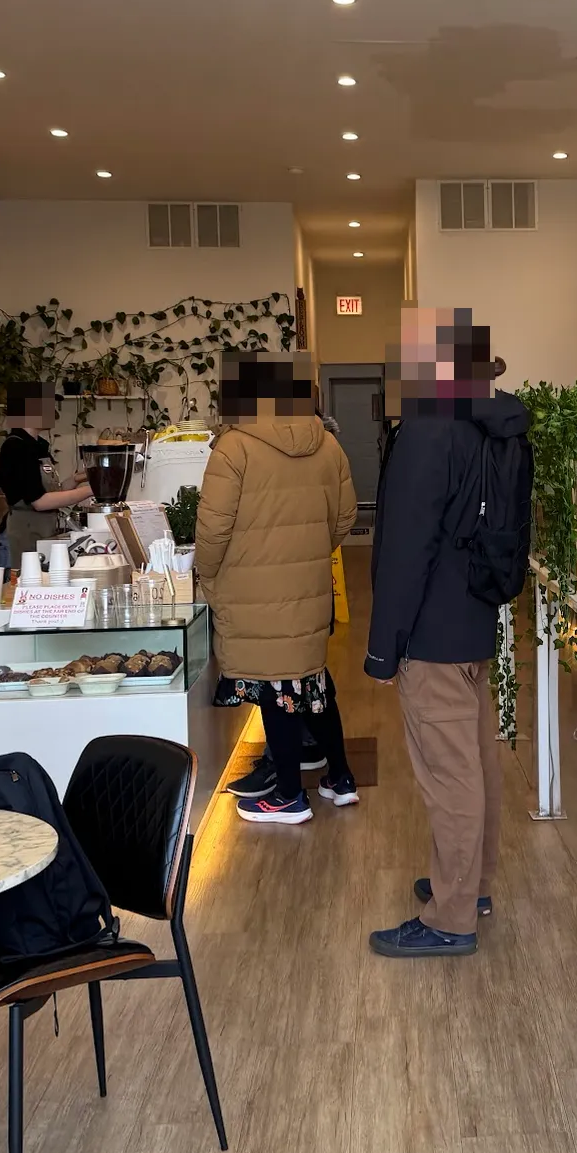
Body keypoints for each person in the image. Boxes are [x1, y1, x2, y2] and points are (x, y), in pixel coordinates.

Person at [364, 308, 530, 958]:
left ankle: (450, 917)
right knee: (475, 762)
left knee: (449, 775)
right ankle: (469, 885)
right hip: (474, 616)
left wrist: (383, 648)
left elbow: (406, 550)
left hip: (430, 632)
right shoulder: (496, 425)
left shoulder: (428, 432)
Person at [195, 353, 359, 824]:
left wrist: (209, 575)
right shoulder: (327, 443)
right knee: (312, 678)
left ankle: (288, 795)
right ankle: (340, 778)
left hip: (251, 590)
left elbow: (212, 529)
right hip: (308, 587)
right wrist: (309, 552)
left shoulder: (234, 448)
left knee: (275, 687)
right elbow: (345, 517)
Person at [0, 382, 93, 565]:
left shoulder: (38, 446)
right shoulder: (16, 447)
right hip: (21, 538)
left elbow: (52, 492)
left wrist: (78, 479)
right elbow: (40, 502)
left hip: (39, 535)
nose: (53, 412)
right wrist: (92, 490)